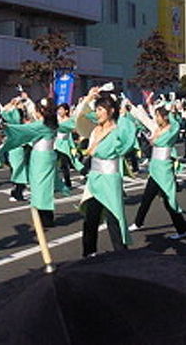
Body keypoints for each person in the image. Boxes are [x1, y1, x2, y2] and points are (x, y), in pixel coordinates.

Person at [75, 88, 135, 257]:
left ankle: (122, 258)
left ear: (111, 111)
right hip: (94, 178)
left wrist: (124, 112)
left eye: (101, 109)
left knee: (114, 220)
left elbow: (128, 138)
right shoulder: (95, 129)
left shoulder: (117, 130)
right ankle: (89, 254)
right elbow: (79, 117)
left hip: (109, 179)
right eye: (97, 109)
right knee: (90, 219)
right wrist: (88, 98)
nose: (97, 113)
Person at [129, 106, 186, 240]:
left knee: (169, 202)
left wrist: (173, 109)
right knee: (146, 198)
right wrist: (132, 107)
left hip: (164, 170)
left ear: (165, 117)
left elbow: (175, 123)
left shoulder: (171, 130)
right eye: (156, 116)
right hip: (155, 169)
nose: (156, 119)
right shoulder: (157, 129)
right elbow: (144, 119)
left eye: (158, 116)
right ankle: (138, 223)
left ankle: (183, 231)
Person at [1, 97, 59, 227]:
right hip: (47, 156)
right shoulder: (52, 123)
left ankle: (44, 217)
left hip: (40, 158)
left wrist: (7, 127)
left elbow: (23, 130)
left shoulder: (42, 125)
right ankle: (46, 215)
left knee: (40, 186)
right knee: (44, 186)